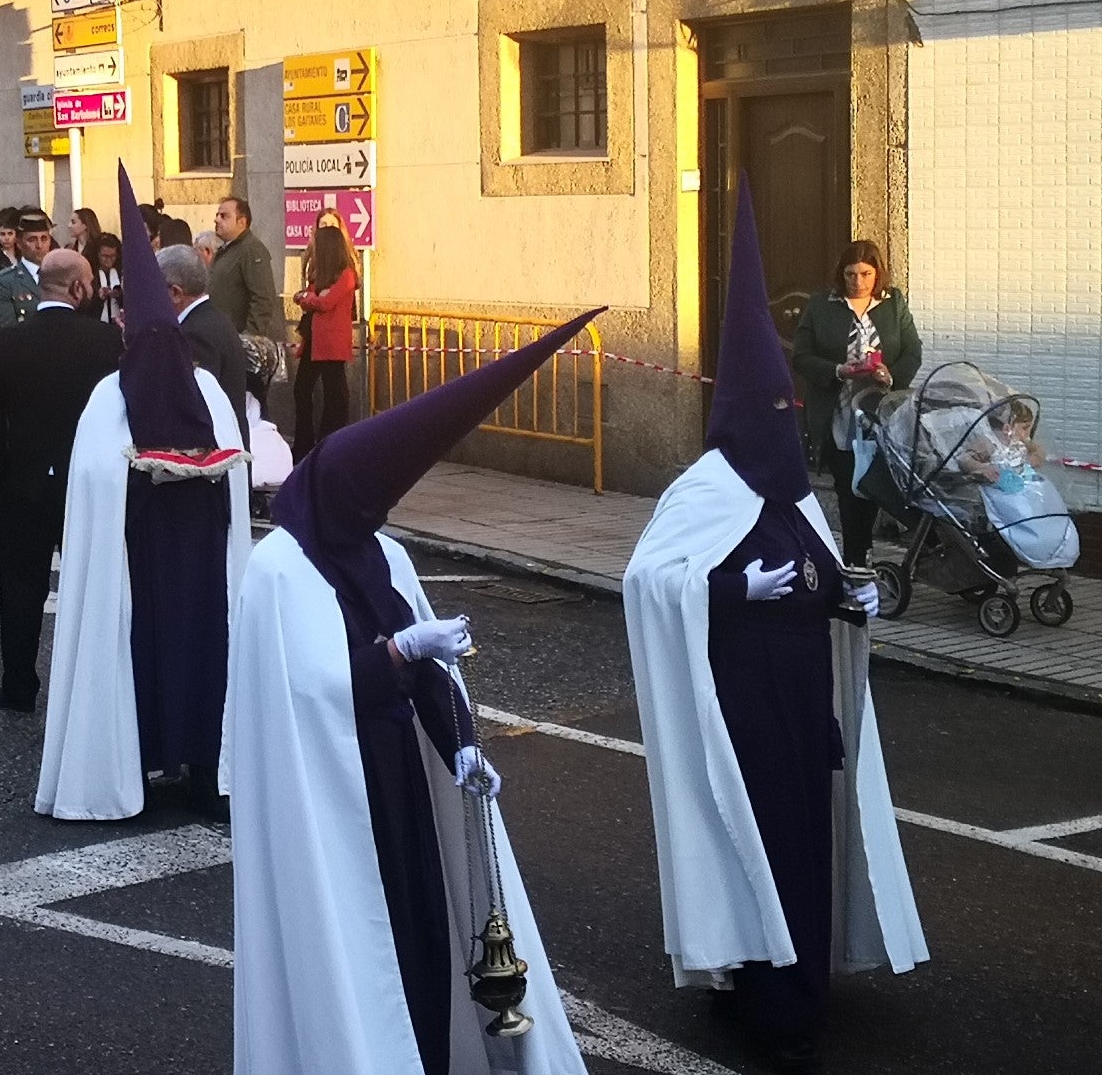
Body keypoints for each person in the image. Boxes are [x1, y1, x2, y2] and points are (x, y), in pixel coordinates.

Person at [226, 305, 604, 1075]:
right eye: (364, 506)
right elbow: (305, 694)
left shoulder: (381, 553)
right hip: (332, 794)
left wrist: (464, 744)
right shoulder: (277, 571)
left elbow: (434, 668)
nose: (374, 521)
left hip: (402, 781)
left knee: (426, 933)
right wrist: (396, 652)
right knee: (365, 940)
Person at [624, 183, 926, 1075]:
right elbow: (649, 582)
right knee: (753, 842)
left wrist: (850, 600)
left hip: (801, 707)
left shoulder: (793, 493)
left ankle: (805, 988)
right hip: (741, 714)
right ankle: (767, 1002)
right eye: (774, 419)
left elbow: (826, 572)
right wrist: (729, 591)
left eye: (790, 420)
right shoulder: (706, 490)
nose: (785, 432)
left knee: (802, 844)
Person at [36, 166, 249, 822]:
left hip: (190, 561)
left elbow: (230, 468)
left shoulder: (179, 393)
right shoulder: (112, 400)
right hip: (142, 562)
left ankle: (201, 767)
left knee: (193, 658)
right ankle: (148, 761)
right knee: (152, 655)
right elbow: (96, 479)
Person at [0, 248, 120, 713]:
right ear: (79, 288)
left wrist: (0, 477)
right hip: (86, 485)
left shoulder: (6, 342)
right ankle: (93, 686)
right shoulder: (105, 342)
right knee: (93, 584)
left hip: (23, 485)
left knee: (20, 591)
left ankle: (19, 684)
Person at [791, 240, 921, 567]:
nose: (858, 281)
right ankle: (855, 562)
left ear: (877, 273)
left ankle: (872, 554)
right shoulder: (822, 306)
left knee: (877, 487)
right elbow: (801, 356)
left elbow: (912, 351)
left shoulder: (893, 304)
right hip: (840, 416)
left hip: (882, 415)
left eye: (865, 273)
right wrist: (837, 370)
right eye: (851, 274)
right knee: (850, 489)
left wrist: (890, 375)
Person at [157, 244, 249, 446]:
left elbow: (194, 405)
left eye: (155, 288)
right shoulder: (214, 319)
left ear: (175, 293)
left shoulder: (194, 334)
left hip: (214, 456)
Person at [291, 222, 358, 458]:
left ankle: (331, 442)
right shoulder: (320, 275)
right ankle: (304, 444)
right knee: (302, 390)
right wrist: (309, 297)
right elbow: (310, 297)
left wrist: (308, 299)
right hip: (314, 341)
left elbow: (324, 303)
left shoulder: (347, 275)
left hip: (331, 344)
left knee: (335, 395)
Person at [206, 196, 281, 342]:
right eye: (217, 215)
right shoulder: (226, 250)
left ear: (241, 222)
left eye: (224, 216)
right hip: (220, 338)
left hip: (237, 341)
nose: (217, 220)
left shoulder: (251, 250)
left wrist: (249, 339)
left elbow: (262, 299)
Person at [0, 208, 53, 327]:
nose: (39, 245)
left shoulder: (58, 276)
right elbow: (8, 329)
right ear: (18, 243)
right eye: (32, 239)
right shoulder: (5, 281)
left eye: (44, 239)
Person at [92, 233, 123, 325]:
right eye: (105, 256)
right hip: (98, 322)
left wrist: (119, 294)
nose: (109, 259)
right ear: (97, 254)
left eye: (113, 256)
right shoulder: (92, 273)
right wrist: (99, 296)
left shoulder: (121, 271)